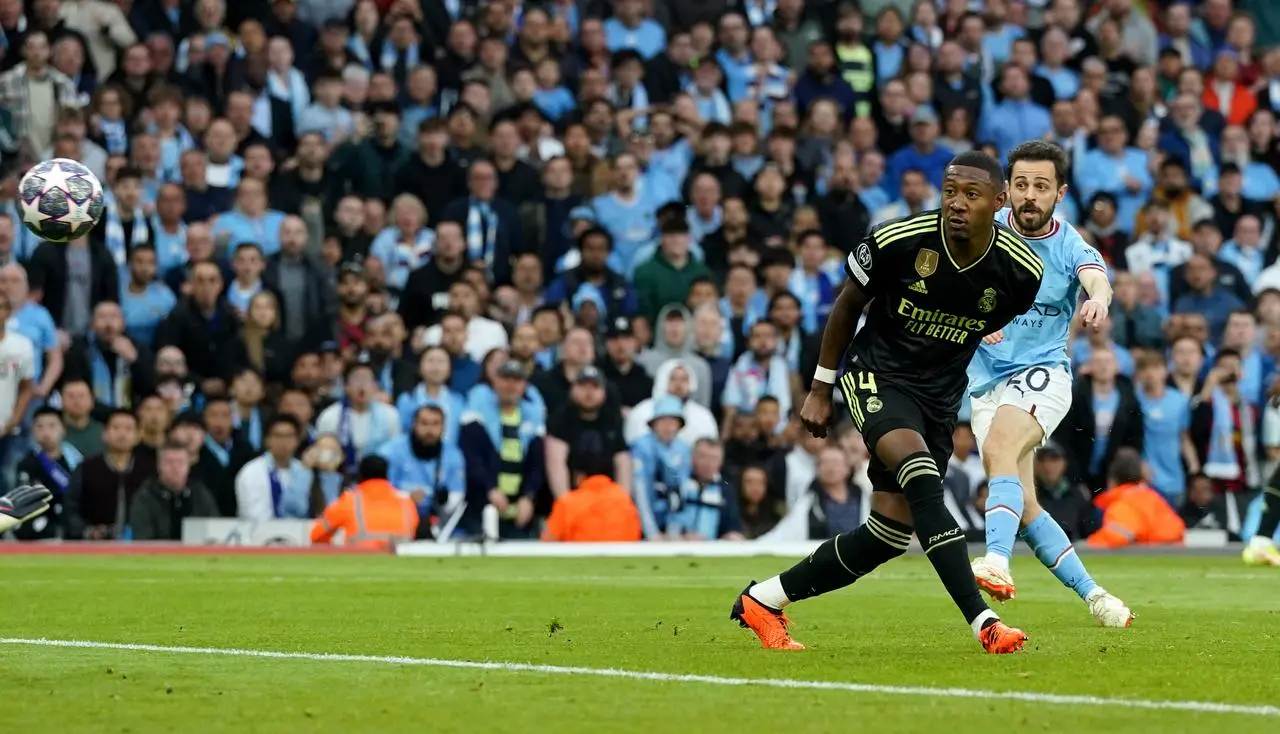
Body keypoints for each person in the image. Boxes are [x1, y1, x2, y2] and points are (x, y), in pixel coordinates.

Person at [731, 151, 1043, 654]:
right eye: (950, 192)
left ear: (999, 202)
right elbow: (848, 304)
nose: (956, 204)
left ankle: (762, 600)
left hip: (938, 399)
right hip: (876, 374)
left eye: (971, 194)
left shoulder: (1020, 273)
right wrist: (819, 387)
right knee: (920, 475)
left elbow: (986, 333)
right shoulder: (899, 240)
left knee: (888, 534)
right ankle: (984, 624)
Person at [965, 141, 1134, 627]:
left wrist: (1098, 299)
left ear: (1059, 193)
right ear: (1005, 192)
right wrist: (975, 317)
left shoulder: (1068, 244)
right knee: (1024, 504)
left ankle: (996, 560)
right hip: (985, 383)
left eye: (1041, 186)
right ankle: (1098, 597)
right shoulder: (982, 235)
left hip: (1043, 375)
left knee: (1000, 448)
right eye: (1021, 185)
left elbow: (1095, 277)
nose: (1030, 196)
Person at [310, 454, 419, 549]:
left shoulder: (349, 501)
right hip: (400, 564)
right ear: (386, 474)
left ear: (360, 475)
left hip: (359, 563)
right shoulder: (406, 501)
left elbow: (317, 536)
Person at [128, 441, 219, 540]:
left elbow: (215, 531)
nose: (175, 468)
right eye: (169, 462)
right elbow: (143, 539)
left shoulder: (200, 494)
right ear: (159, 466)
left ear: (188, 466)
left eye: (180, 462)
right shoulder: (145, 497)